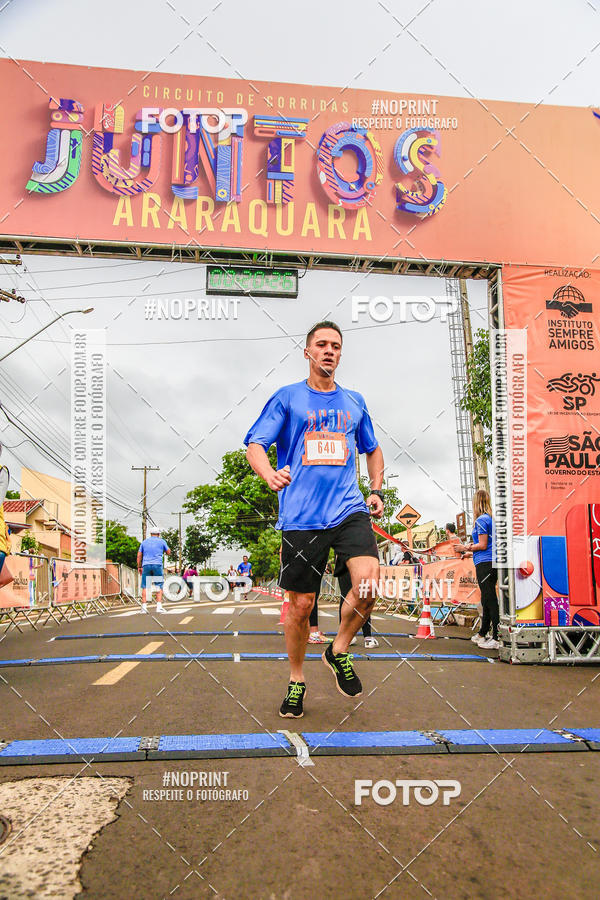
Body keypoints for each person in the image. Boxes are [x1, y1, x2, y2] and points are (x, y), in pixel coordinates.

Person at [245, 320, 384, 718]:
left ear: (341, 354)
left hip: (348, 509)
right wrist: (269, 473)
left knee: (369, 583)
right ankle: (296, 679)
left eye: (335, 346)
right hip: (301, 517)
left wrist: (374, 488)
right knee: (302, 606)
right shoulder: (288, 398)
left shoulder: (355, 401)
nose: (329, 351)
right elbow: (255, 444)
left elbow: (373, 450)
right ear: (307, 352)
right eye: (321, 345)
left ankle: (338, 649)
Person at [456, 490, 499, 650]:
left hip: (485, 562)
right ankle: (483, 632)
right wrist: (469, 552)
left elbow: (482, 544)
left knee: (490, 599)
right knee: (487, 599)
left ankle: (496, 636)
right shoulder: (490, 520)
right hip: (491, 561)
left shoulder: (481, 520)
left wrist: (464, 547)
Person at [137, 528, 170, 613]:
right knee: (158, 585)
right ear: (158, 534)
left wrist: (139, 566)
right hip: (157, 565)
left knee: (145, 586)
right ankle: (159, 606)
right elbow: (168, 552)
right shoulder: (162, 541)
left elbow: (139, 555)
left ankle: (144, 607)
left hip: (146, 565)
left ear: (150, 533)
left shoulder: (144, 542)